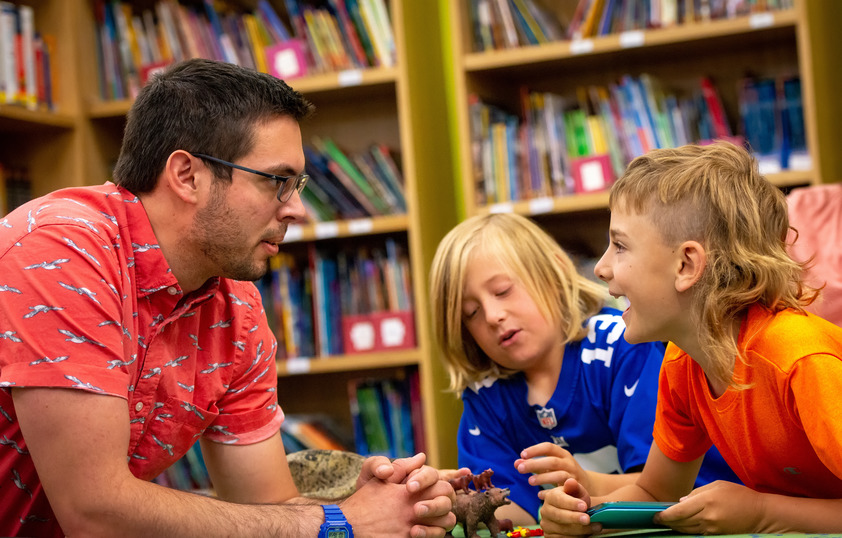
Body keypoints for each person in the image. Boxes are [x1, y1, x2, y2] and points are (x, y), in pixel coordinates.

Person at [0, 58, 455, 537]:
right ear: (187, 175)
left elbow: (267, 505)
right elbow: (94, 512)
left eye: (297, 186)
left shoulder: (236, 305)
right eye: (276, 181)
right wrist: (339, 522)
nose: (297, 209)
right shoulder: (61, 249)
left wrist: (365, 506)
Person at [540, 141, 842, 536]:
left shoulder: (799, 359)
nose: (600, 268)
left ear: (686, 264)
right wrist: (587, 514)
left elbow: (763, 512)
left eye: (619, 245)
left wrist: (762, 511)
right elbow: (655, 491)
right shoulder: (683, 363)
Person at [428, 212, 737, 527]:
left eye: (504, 290)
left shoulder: (625, 347)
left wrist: (585, 487)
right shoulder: (485, 397)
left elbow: (660, 491)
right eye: (472, 312)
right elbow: (511, 513)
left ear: (555, 273)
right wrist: (451, 503)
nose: (492, 316)